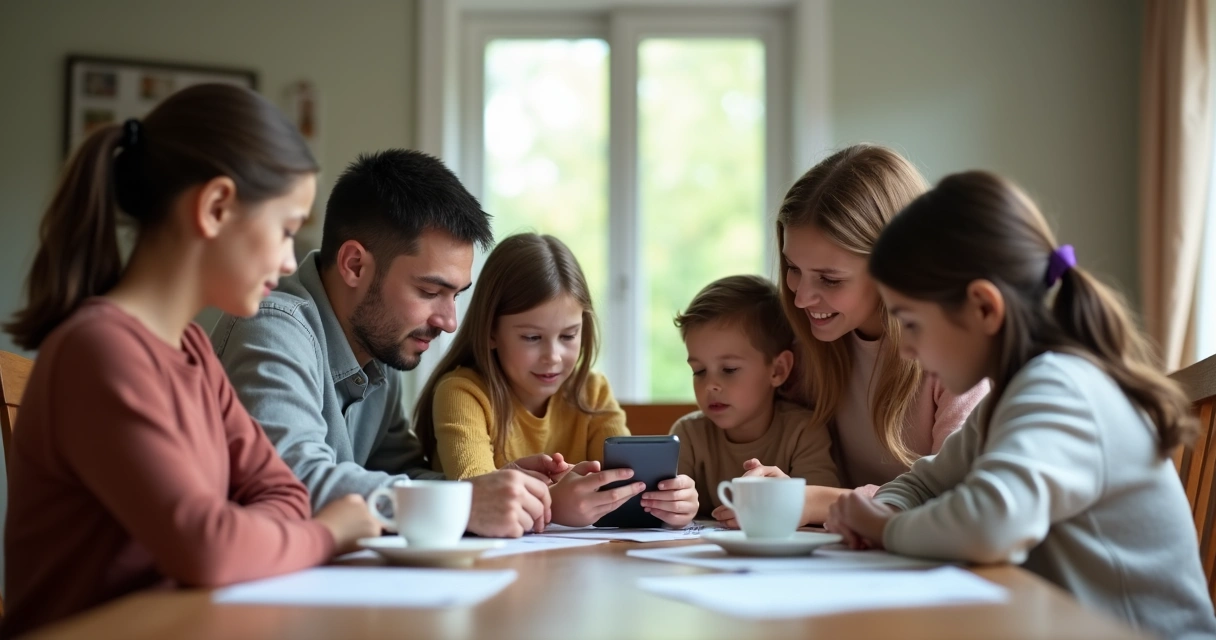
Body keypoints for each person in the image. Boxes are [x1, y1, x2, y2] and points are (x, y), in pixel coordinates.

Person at [1, 84, 379, 637]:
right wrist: (330, 531)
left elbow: (283, 492)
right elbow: (209, 549)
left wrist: (243, 535)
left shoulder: (192, 351)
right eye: (286, 230)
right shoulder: (100, 351)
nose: (288, 259)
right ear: (215, 207)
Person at [829, 170, 1216, 640]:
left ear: (984, 308)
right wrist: (883, 510)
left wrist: (885, 528)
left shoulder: (1061, 389)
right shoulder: (1011, 397)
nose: (906, 349)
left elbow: (991, 524)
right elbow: (925, 482)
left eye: (910, 324)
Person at [212, 150, 563, 538]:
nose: (449, 322)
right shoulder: (272, 330)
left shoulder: (378, 348)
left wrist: (486, 489)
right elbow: (293, 483)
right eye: (430, 290)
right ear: (355, 265)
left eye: (456, 295)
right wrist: (465, 505)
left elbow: (398, 474)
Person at [725, 144, 989, 528]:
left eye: (829, 279)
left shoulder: (957, 357)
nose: (800, 297)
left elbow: (963, 502)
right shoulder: (803, 352)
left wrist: (818, 502)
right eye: (792, 268)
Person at [415, 233, 699, 527]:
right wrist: (554, 505)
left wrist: (671, 502)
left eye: (568, 335)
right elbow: (478, 498)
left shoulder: (593, 392)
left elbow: (627, 488)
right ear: (491, 332)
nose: (552, 356)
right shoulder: (462, 393)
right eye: (532, 337)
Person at [669, 275, 839, 522]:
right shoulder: (687, 434)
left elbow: (822, 511)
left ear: (777, 370)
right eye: (699, 371)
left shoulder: (804, 432)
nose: (710, 386)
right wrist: (673, 507)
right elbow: (665, 509)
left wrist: (782, 502)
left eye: (729, 369)